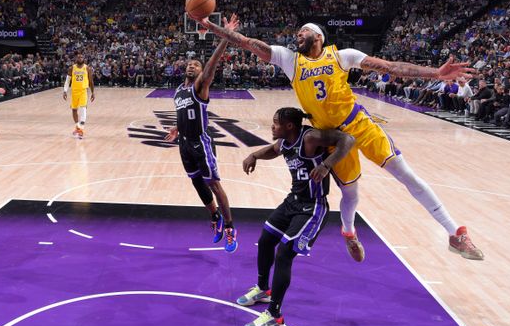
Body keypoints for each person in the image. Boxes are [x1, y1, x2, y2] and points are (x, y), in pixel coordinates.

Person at [198, 19, 483, 260]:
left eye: (303, 32)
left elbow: (388, 67)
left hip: (358, 123)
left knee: (406, 174)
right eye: (296, 33)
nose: (298, 35)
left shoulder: (341, 55)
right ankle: (348, 230)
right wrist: (211, 27)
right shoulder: (289, 59)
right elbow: (248, 43)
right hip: (331, 137)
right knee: (351, 193)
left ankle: (454, 233)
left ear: (318, 37)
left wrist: (434, 73)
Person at [238, 107, 356, 326]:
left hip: (312, 208)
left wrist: (326, 165)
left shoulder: (310, 138)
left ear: (289, 126)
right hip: (292, 202)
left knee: (284, 254)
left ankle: (275, 316)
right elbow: (273, 150)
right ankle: (263, 289)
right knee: (265, 240)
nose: (272, 126)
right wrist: (254, 155)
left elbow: (348, 139)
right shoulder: (285, 143)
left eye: (276, 123)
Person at [163, 14, 239, 252]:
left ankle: (229, 227)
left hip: (201, 142)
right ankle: (215, 216)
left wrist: (225, 36)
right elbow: (182, 112)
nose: (191, 66)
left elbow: (211, 66)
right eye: (189, 64)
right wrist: (177, 127)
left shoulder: (200, 87)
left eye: (195, 65)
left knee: (214, 185)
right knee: (197, 183)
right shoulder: (178, 91)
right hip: (184, 144)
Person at [62, 53, 95, 138]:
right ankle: (77, 127)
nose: (80, 58)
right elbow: (67, 80)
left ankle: (81, 129)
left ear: (83, 58)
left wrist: (93, 92)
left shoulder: (87, 68)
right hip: (74, 91)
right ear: (76, 58)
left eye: (81, 57)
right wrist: (65, 91)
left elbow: (91, 81)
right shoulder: (72, 68)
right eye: (79, 57)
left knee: (83, 108)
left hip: (83, 91)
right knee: (74, 110)